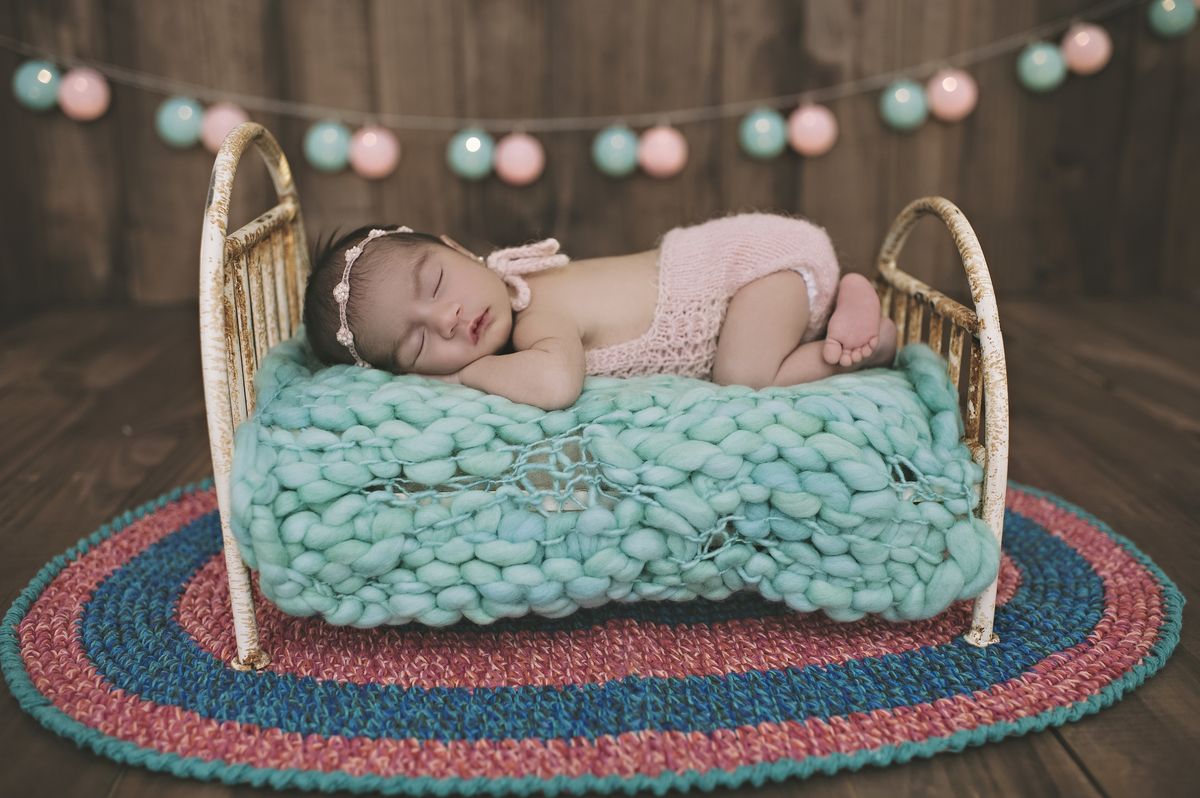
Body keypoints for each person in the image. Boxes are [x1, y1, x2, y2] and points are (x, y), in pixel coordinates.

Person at [303, 213, 898, 411]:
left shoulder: (537, 310)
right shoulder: (519, 291)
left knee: (742, 379)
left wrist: (459, 373)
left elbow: (557, 383)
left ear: (459, 250)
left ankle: (873, 341)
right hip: (758, 272)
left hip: (752, 268)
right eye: (419, 346)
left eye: (436, 282)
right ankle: (836, 308)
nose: (448, 319)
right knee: (752, 354)